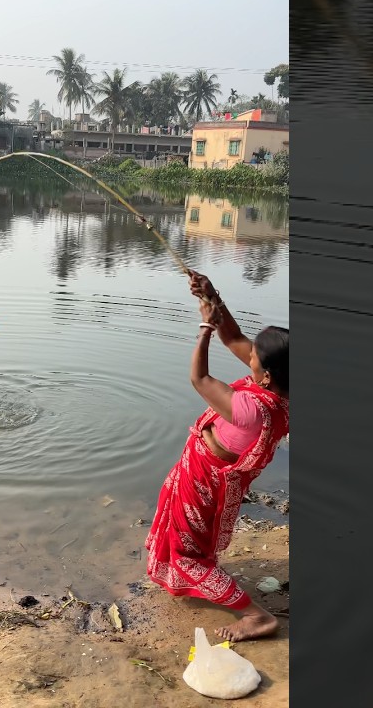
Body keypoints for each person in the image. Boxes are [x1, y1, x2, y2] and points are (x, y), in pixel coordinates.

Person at [144, 269, 290, 642]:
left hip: (207, 477)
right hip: (211, 472)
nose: (248, 356)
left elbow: (201, 380)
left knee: (187, 553)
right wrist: (211, 297)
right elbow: (236, 337)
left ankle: (256, 616)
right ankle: (205, 579)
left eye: (254, 357)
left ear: (267, 375)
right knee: (190, 540)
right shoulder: (284, 389)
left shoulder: (253, 409)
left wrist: (204, 328)